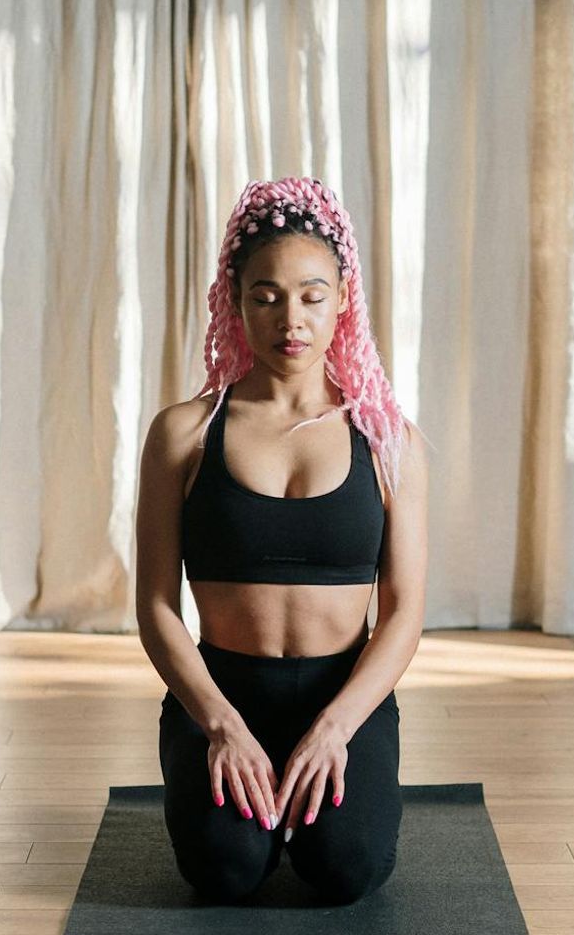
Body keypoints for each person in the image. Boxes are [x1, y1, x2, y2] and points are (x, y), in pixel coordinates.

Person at [135, 176, 427, 904]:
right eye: (265, 296)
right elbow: (156, 608)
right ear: (235, 303)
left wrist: (336, 728)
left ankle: (322, 799)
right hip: (223, 694)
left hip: (343, 696)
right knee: (226, 871)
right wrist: (221, 726)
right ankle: (239, 802)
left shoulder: (388, 441)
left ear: (343, 300)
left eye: (311, 295)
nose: (289, 318)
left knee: (345, 870)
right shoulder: (182, 434)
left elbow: (404, 614)